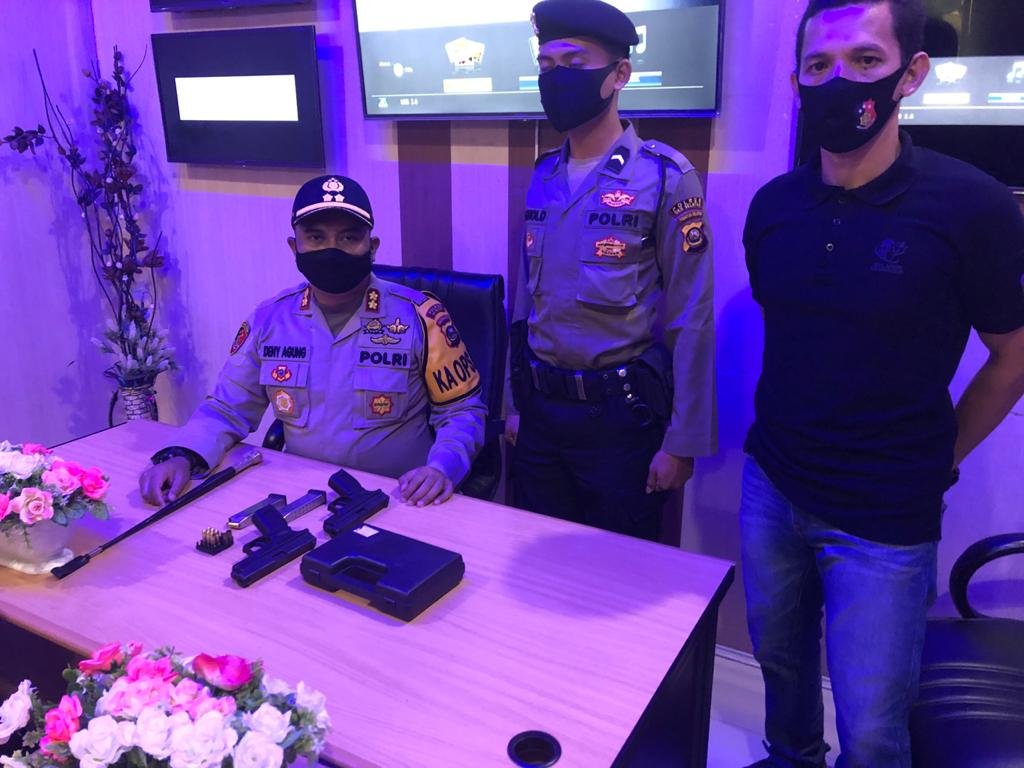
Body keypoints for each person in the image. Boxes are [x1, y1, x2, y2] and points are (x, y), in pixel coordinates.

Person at [741, 1, 1024, 766]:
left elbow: (1013, 355)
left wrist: (941, 457)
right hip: (772, 486)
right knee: (781, 666)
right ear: (797, 81)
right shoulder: (773, 207)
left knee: (871, 727)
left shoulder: (974, 206)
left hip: (885, 516)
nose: (840, 81)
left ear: (911, 73)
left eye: (865, 61)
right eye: (819, 65)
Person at [139, 175, 486, 508]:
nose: (332, 250)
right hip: (306, 497)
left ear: (372, 247)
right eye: (316, 238)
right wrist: (182, 455)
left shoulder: (420, 317)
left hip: (401, 497)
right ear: (295, 247)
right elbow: (228, 407)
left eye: (349, 237)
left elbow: (462, 412)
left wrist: (442, 468)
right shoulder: (270, 320)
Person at [504, 0, 717, 542]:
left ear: (619, 74)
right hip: (541, 413)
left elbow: (692, 316)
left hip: (618, 422)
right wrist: (514, 403)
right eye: (547, 65)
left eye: (574, 64)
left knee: (619, 571)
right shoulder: (544, 173)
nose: (556, 77)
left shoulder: (665, 176)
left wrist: (683, 442)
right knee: (538, 561)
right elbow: (525, 302)